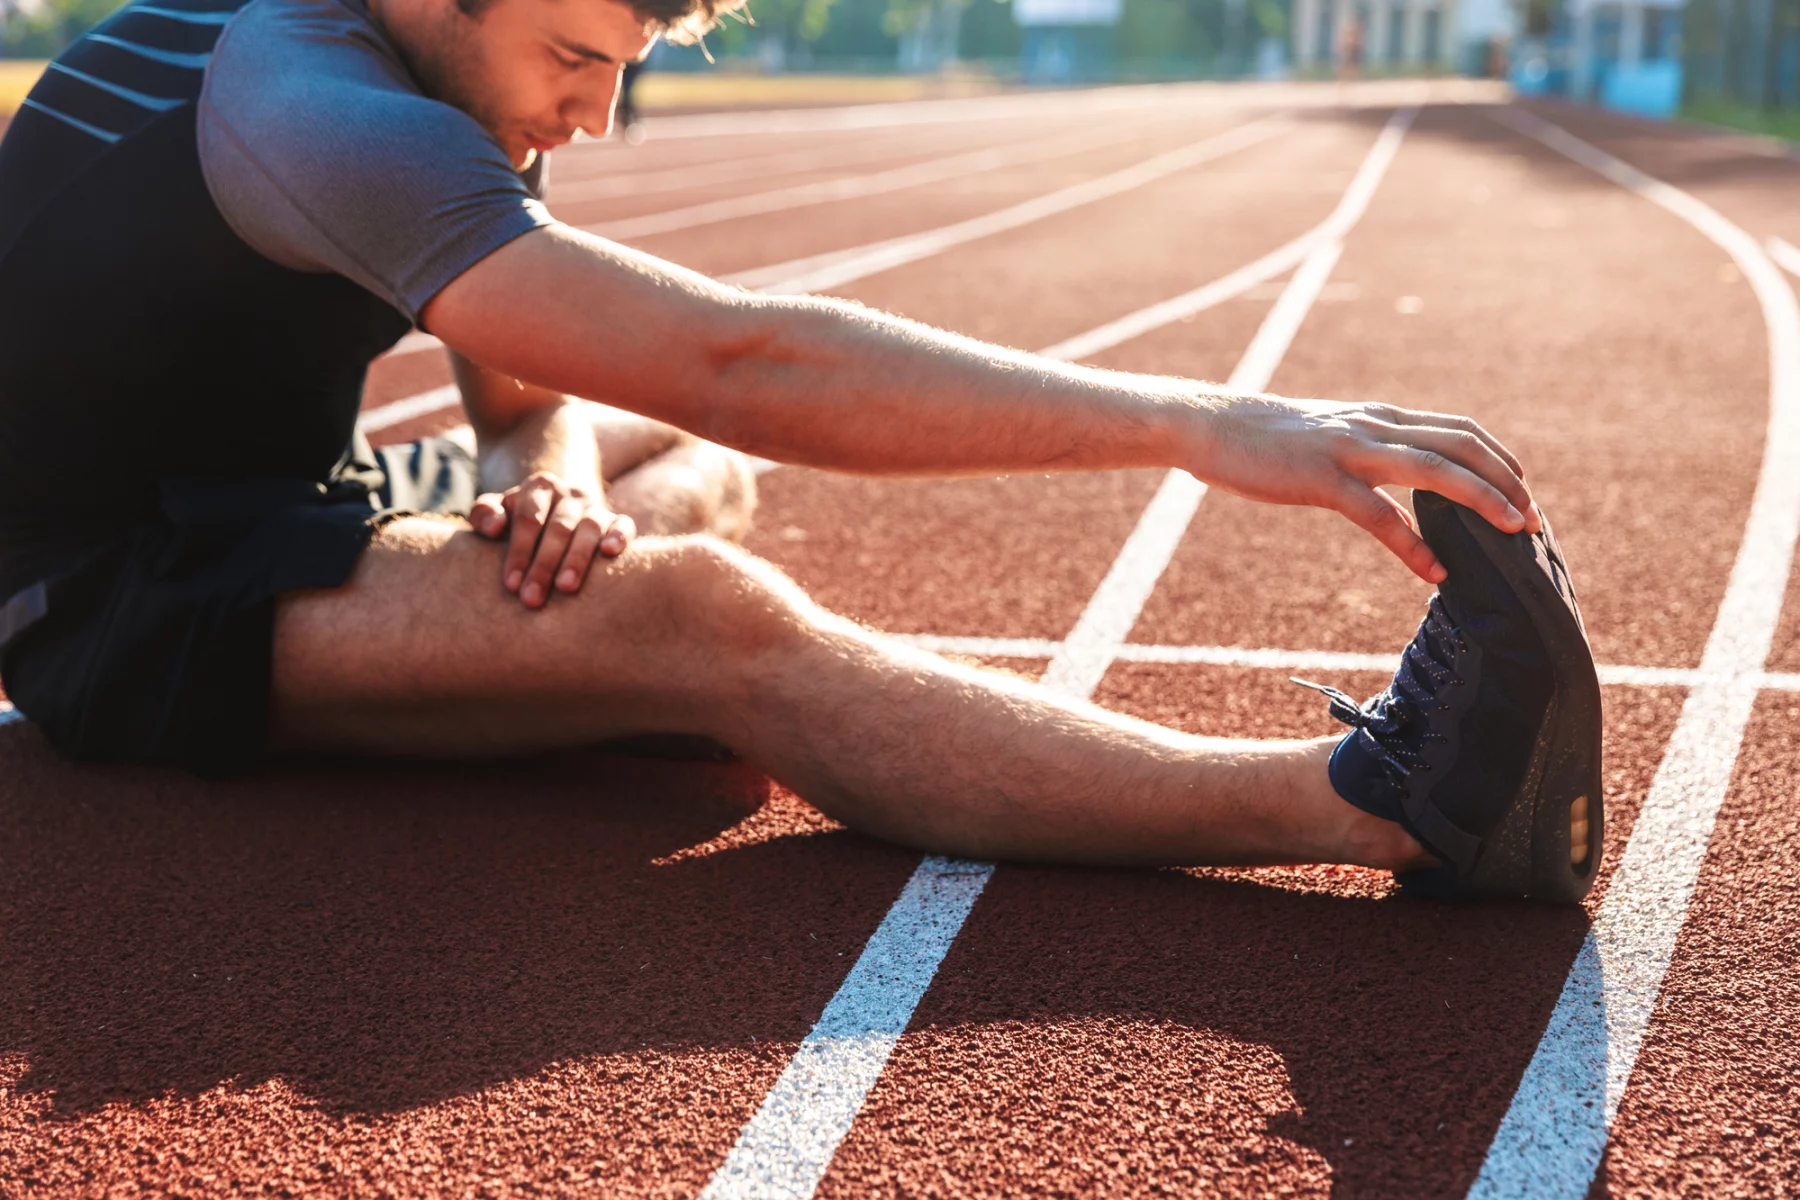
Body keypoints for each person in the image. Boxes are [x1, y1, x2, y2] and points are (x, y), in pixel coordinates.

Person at [0, 0, 1602, 902]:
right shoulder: (326, 124)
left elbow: (517, 403)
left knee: (646, 468)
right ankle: (1376, 802)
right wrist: (1204, 421)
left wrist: (536, 486)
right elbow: (743, 359)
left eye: (621, 69)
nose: (598, 119)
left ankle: (563, 629)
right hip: (107, 593)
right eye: (575, 61)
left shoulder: (385, 73)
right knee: (700, 610)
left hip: (267, 501)